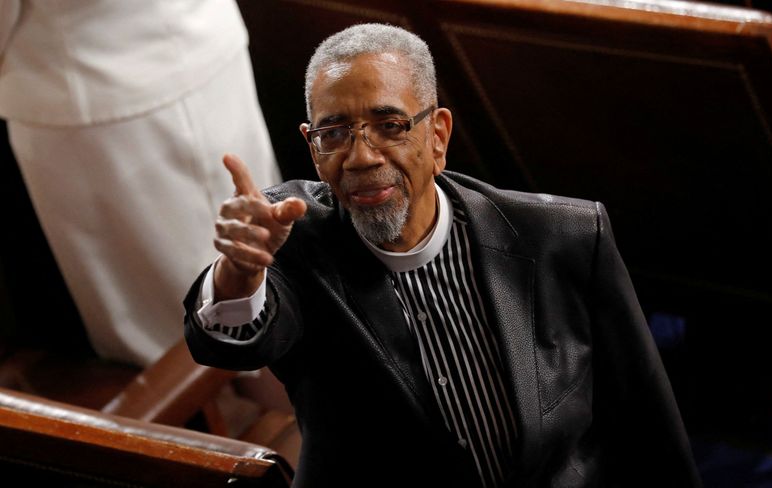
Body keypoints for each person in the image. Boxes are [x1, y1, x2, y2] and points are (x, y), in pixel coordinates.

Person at [184, 23, 702, 487]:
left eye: (390, 126)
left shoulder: (562, 236)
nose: (361, 157)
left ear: (437, 135)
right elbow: (234, 346)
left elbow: (645, 422)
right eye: (334, 133)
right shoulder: (292, 235)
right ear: (311, 144)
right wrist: (239, 270)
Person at [0, 0, 282, 367]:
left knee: (160, 324)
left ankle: (214, 408)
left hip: (91, 94)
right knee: (254, 251)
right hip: (200, 42)